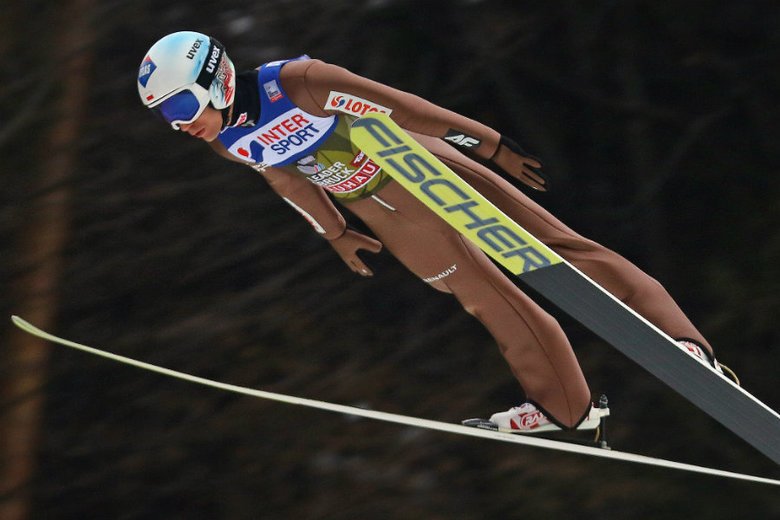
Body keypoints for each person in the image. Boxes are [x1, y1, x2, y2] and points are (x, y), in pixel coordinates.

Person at [137, 31, 724, 433]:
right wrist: (334, 231)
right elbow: (285, 178)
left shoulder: (296, 83)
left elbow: (402, 107)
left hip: (419, 165)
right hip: (379, 207)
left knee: (556, 251)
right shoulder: (226, 139)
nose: (180, 124)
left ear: (213, 78)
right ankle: (565, 409)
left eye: (180, 106)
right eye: (165, 117)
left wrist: (485, 142)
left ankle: (685, 344)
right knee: (483, 298)